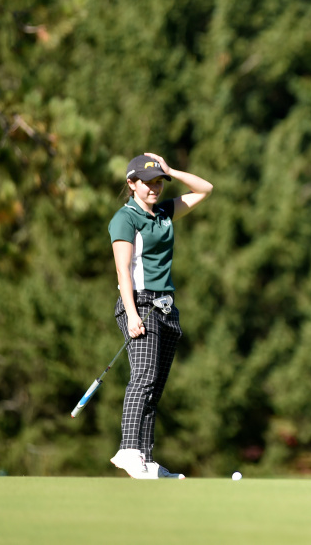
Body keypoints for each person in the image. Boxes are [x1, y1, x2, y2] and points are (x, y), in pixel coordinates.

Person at [107, 153, 213, 479]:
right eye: (147, 181)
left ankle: (147, 460)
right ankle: (128, 450)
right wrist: (132, 312)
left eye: (158, 182)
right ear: (131, 184)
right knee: (144, 376)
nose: (154, 187)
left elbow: (205, 189)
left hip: (166, 307)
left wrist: (169, 171)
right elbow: (123, 271)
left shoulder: (163, 213)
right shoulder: (125, 219)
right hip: (139, 303)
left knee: (155, 387)